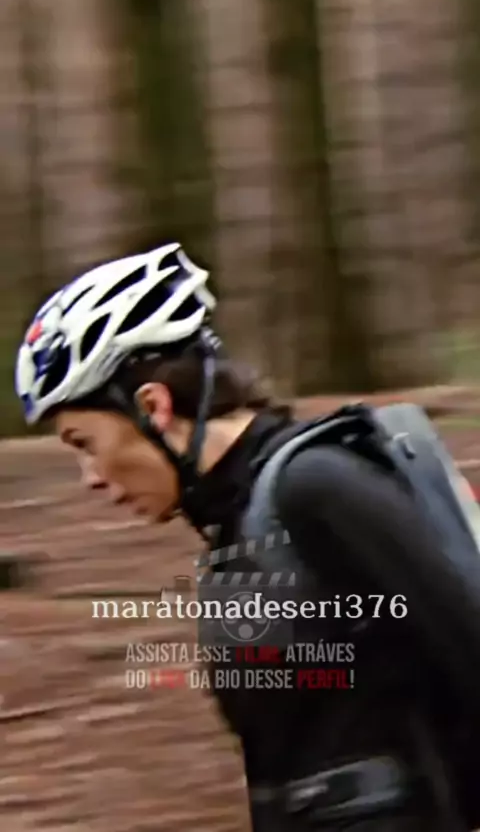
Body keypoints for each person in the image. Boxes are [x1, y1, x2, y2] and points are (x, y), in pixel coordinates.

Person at [14, 242, 474, 831]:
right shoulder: (238, 527)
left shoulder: (316, 484)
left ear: (152, 406)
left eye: (85, 444)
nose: (92, 478)